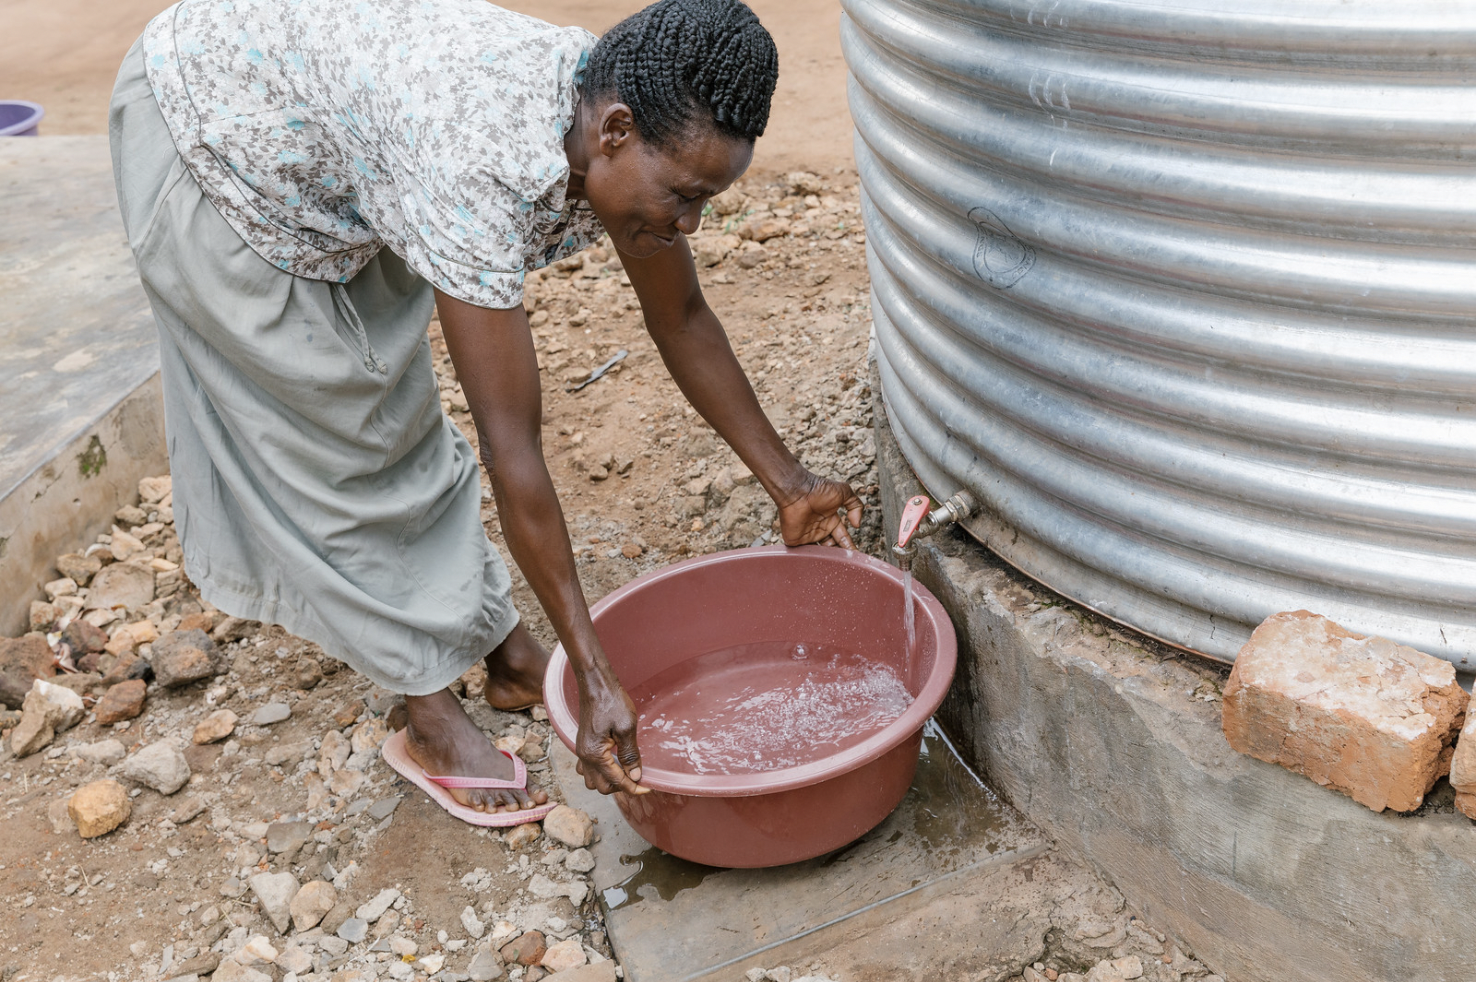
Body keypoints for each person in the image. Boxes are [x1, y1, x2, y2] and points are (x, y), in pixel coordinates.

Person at [109, 0, 863, 824]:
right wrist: (596, 676)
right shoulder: (475, 170)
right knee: (339, 442)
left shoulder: (622, 111)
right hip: (216, 141)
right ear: (612, 132)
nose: (690, 222)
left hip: (343, 137)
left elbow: (680, 319)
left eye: (708, 201)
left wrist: (791, 485)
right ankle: (428, 715)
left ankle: (502, 656)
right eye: (684, 195)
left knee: (390, 407)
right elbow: (514, 452)